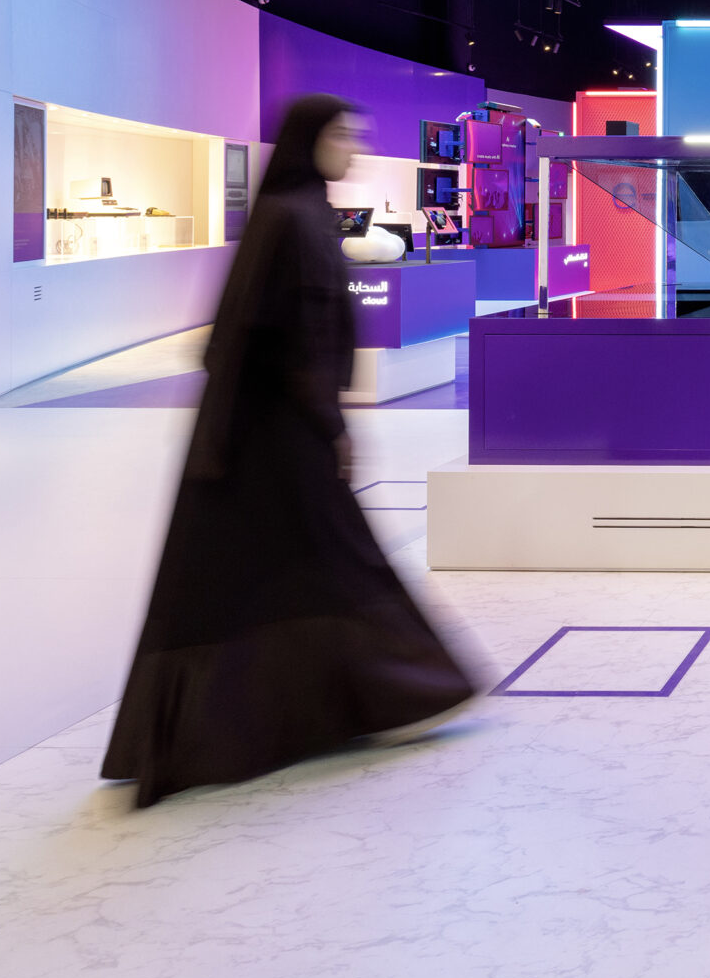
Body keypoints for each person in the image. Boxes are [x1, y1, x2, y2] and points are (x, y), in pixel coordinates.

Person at [102, 95, 477, 807]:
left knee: (299, 566)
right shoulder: (293, 219)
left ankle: (347, 703)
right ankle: (399, 692)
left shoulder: (295, 213)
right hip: (278, 435)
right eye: (344, 134)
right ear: (312, 139)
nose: (354, 147)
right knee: (331, 560)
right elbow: (292, 338)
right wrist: (331, 425)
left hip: (271, 432)